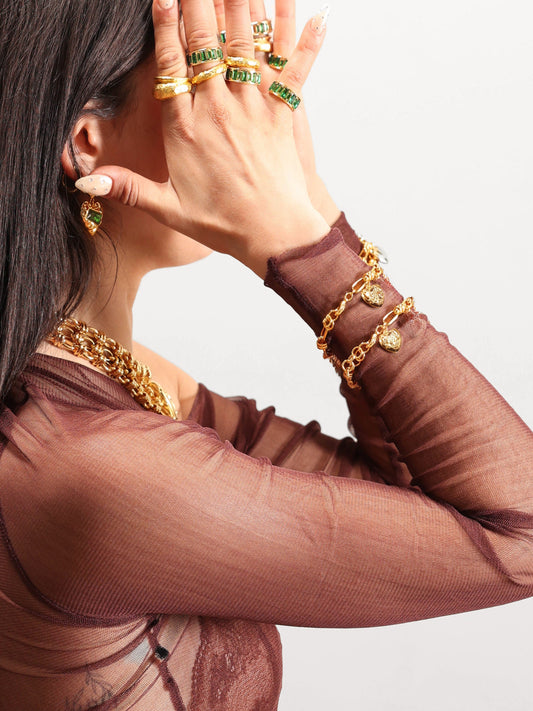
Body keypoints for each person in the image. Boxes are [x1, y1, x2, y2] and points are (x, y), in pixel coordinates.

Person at [0, 0, 531, 708]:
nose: (252, 120)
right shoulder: (95, 467)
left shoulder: (117, 377)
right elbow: (518, 533)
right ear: (88, 144)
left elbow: (412, 488)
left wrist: (306, 202)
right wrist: (299, 242)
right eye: (211, 79)